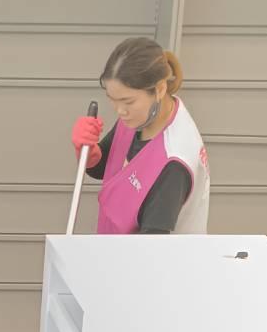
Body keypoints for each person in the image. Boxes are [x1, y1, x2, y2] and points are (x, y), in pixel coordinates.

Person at [70, 38, 209, 234]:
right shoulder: (140, 117)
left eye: (128, 101)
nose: (120, 111)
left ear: (159, 89)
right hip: (115, 245)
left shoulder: (174, 162)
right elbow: (104, 168)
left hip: (151, 252)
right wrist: (89, 152)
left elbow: (151, 245)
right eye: (113, 100)